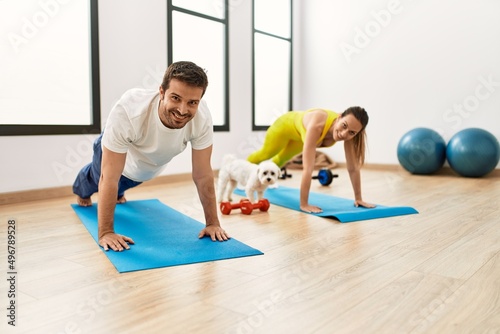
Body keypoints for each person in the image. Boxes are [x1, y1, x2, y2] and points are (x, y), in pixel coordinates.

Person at [73, 61, 229, 251]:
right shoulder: (129, 111)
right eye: (175, 98)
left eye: (192, 102)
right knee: (95, 180)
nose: (182, 110)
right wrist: (106, 232)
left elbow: (203, 174)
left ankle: (119, 192)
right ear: (161, 92)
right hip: (113, 157)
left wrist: (213, 223)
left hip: (143, 169)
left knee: (128, 180)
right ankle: (81, 188)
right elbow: (109, 176)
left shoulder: (202, 118)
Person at [247, 107, 375, 213]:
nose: (344, 133)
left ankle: (264, 179)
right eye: (344, 126)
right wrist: (304, 204)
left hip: (299, 135)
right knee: (265, 154)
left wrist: (358, 198)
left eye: (351, 132)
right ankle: (246, 174)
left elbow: (353, 168)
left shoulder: (349, 134)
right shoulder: (317, 125)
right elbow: (308, 168)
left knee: (281, 159)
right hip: (284, 126)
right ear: (340, 116)